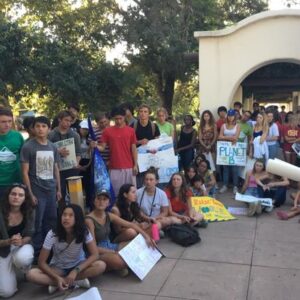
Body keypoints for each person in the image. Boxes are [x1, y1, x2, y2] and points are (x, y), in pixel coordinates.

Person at [26, 204, 105, 294]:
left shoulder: (84, 231)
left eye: (71, 215)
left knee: (101, 265)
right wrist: (57, 277)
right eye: (64, 215)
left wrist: (76, 270)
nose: (66, 218)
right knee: (31, 274)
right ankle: (71, 281)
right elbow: (41, 262)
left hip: (78, 265)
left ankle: (60, 283)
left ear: (77, 218)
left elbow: (95, 254)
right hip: (58, 268)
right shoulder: (52, 234)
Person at [85, 190, 154, 276]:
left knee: (140, 245)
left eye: (104, 199)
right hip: (97, 251)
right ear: (94, 201)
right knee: (121, 262)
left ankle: (115, 265)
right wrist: (112, 251)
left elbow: (131, 225)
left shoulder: (108, 215)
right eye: (98, 199)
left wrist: (146, 237)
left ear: (109, 203)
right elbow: (93, 248)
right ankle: (111, 266)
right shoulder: (89, 220)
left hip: (109, 245)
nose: (101, 202)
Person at [21, 116, 61, 257]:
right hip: (36, 190)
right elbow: (25, 172)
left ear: (49, 129)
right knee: (36, 222)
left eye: (44, 126)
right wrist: (30, 194)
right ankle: (37, 253)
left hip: (51, 190)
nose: (40, 129)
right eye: (37, 126)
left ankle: (49, 252)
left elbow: (56, 168)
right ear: (33, 128)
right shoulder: (28, 147)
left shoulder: (53, 146)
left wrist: (59, 189)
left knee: (51, 221)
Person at [0, 184, 34, 298]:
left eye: (21, 195)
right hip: (2, 250)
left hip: (21, 246)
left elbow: (30, 234)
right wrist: (8, 241)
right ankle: (9, 272)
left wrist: (22, 242)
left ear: (25, 198)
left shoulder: (29, 210)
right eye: (13, 194)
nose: (16, 197)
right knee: (6, 292)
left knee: (22, 259)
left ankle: (25, 271)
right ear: (8, 196)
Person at [95, 106, 137, 196]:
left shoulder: (131, 131)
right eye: (116, 119)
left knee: (131, 194)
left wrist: (135, 164)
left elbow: (133, 148)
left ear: (124, 117)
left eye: (120, 118)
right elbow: (102, 147)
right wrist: (95, 146)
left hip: (129, 167)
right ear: (113, 119)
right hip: (114, 167)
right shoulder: (107, 131)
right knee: (115, 194)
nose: (118, 121)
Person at [48, 110, 81, 202]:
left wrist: (76, 162)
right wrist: (57, 151)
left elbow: (78, 153)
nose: (68, 123)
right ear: (59, 119)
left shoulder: (75, 135)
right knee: (60, 195)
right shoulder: (51, 135)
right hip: (57, 171)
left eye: (70, 121)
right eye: (66, 120)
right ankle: (61, 214)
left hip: (72, 170)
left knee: (75, 195)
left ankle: (76, 213)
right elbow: (45, 151)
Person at [131, 104, 160, 187]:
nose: (143, 113)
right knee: (139, 181)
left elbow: (157, 142)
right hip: (137, 157)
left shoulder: (154, 126)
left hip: (150, 157)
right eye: (141, 111)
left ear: (149, 113)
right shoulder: (133, 125)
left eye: (145, 112)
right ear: (138, 113)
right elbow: (129, 142)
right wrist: (139, 141)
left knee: (151, 178)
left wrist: (150, 142)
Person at [0, 108, 24, 195]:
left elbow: (25, 158)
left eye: (10, 121)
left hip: (15, 182)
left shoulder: (17, 136)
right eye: (3, 122)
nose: (7, 125)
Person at [218, 109, 241, 194]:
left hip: (234, 149)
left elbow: (236, 138)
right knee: (225, 168)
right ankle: (225, 185)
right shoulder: (223, 125)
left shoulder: (237, 126)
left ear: (235, 116)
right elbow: (219, 137)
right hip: (225, 149)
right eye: (229, 116)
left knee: (235, 169)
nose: (230, 117)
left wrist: (225, 137)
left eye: (232, 116)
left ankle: (235, 186)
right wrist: (230, 138)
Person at [78, 120, 92, 208]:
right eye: (83, 129)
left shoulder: (90, 140)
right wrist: (78, 166)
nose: (85, 131)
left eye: (87, 129)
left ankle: (88, 206)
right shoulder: (76, 139)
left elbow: (92, 155)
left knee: (88, 186)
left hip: (88, 164)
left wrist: (87, 166)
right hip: (78, 163)